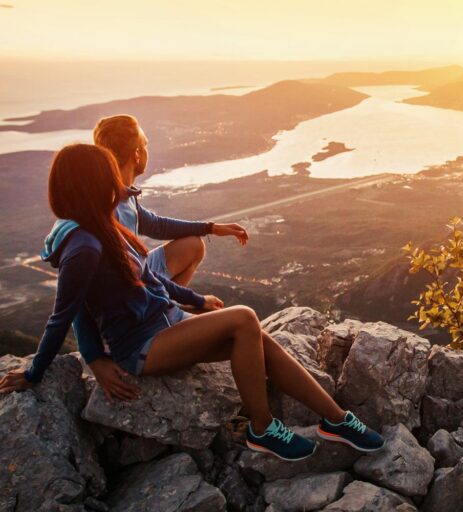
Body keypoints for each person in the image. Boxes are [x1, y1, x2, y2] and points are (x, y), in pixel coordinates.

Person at [0, 144, 384, 461]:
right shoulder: (82, 245)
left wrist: (197, 301)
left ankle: (336, 419)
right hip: (143, 347)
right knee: (245, 318)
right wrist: (42, 371)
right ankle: (263, 429)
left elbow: (152, 280)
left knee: (256, 338)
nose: (118, 181)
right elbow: (65, 313)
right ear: (93, 184)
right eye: (109, 175)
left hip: (167, 323)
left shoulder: (104, 226)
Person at [85, 114, 249, 401]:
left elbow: (155, 224)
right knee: (237, 322)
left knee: (193, 245)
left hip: (139, 275)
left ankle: (169, 306)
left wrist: (211, 228)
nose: (148, 148)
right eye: (145, 144)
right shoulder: (104, 207)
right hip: (128, 295)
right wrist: (94, 357)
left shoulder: (125, 194)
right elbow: (79, 291)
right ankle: (167, 315)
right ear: (136, 154)